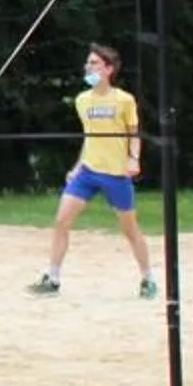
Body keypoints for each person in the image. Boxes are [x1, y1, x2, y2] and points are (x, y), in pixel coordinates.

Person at [28, 41, 155, 298]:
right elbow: (90, 136)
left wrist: (134, 159)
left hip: (116, 174)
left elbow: (134, 134)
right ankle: (53, 278)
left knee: (130, 230)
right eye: (87, 63)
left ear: (109, 69)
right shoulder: (82, 100)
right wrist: (77, 167)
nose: (88, 67)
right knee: (62, 221)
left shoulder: (123, 100)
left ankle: (147, 278)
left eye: (94, 63)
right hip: (88, 172)